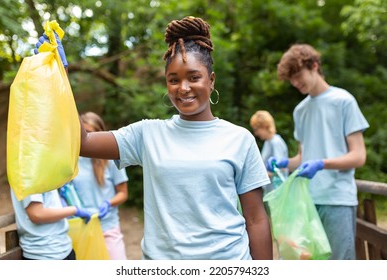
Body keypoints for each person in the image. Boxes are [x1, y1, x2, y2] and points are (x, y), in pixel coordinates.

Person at [35, 16, 273, 260]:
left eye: (193, 77)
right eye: (174, 80)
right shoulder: (147, 134)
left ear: (211, 80)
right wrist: (59, 75)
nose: (183, 87)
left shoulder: (239, 139)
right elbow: (82, 142)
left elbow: (255, 220)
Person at [267, 43, 369, 260]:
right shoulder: (300, 110)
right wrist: (283, 162)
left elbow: (359, 156)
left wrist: (322, 164)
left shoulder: (343, 101)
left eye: (297, 75)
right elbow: (303, 159)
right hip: (307, 201)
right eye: (291, 79)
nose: (295, 83)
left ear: (314, 65)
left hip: (337, 199)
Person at [72, 111, 129, 260]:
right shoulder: (71, 162)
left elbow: (123, 192)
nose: (84, 140)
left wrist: (108, 203)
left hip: (108, 228)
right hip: (82, 228)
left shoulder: (111, 159)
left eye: (89, 134)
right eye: (81, 134)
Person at [10, 188, 91, 260]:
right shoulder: (30, 172)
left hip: (61, 247)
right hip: (45, 251)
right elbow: (36, 214)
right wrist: (74, 210)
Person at [250, 110, 288, 194]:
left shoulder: (276, 142)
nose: (256, 133)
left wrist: (259, 178)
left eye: (257, 129)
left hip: (278, 191)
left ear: (264, 126)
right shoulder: (267, 142)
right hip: (270, 191)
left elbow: (280, 168)